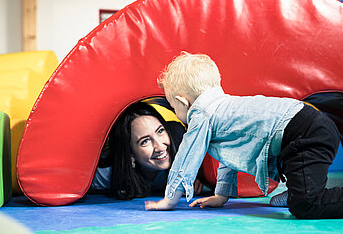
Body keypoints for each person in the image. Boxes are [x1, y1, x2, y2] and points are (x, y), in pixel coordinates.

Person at [145, 51, 342, 219]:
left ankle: (301, 196)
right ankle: (296, 192)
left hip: (304, 131)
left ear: (183, 101)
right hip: (308, 126)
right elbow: (229, 156)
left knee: (305, 205)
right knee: (297, 190)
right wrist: (220, 196)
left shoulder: (201, 113)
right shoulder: (223, 109)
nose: (177, 114)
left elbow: (187, 156)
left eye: (173, 107)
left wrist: (169, 199)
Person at [90, 101, 206, 200]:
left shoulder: (183, 144)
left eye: (160, 131)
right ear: (130, 154)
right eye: (145, 141)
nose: (160, 147)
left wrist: (195, 179)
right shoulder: (106, 175)